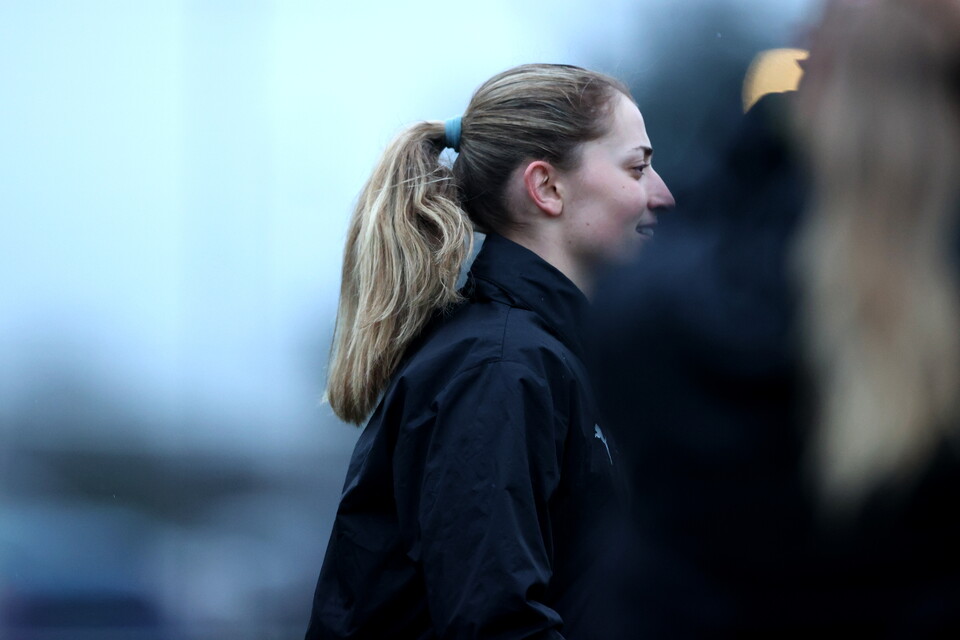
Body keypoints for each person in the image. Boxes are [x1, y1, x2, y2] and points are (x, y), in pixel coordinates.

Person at [590, 0, 960, 635]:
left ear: (818, 80)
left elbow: (634, 303)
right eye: (637, 167)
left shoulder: (685, 324)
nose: (660, 191)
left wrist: (762, 134)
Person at [305, 63, 675, 639]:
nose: (664, 195)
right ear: (546, 187)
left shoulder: (542, 359)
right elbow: (495, 625)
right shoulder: (500, 371)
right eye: (638, 167)